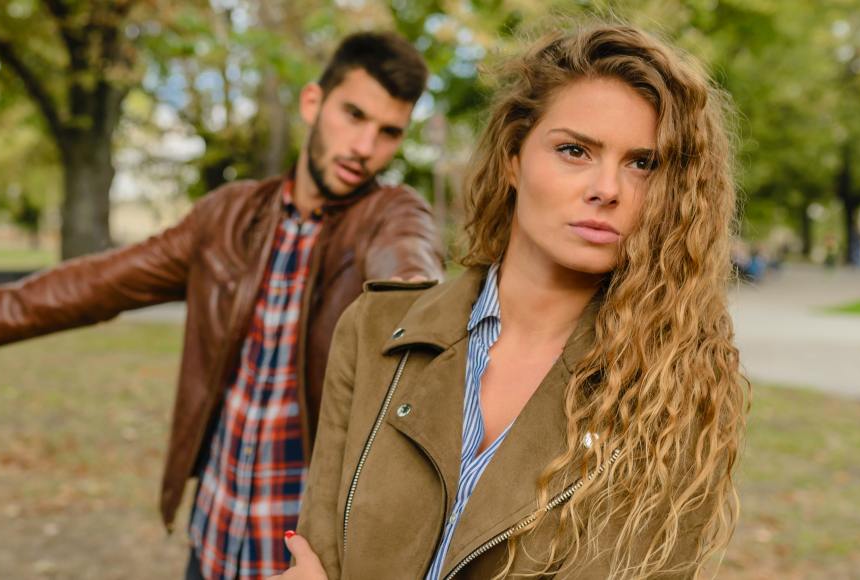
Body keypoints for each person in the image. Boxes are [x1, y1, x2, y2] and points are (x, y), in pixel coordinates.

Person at [0, 32, 443, 579]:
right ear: (314, 103)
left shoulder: (390, 216)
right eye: (353, 115)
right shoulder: (228, 216)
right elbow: (101, 281)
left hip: (305, 558)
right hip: (215, 536)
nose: (364, 146)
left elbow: (411, 281)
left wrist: (418, 306)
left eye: (388, 132)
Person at [274, 24, 748, 579]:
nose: (608, 188)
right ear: (513, 159)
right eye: (574, 150)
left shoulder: (679, 388)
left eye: (643, 163)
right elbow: (319, 557)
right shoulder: (374, 329)